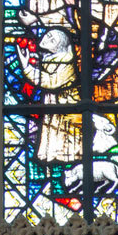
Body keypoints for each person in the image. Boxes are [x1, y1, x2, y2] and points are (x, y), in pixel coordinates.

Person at [15, 29, 83, 165]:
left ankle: (62, 169)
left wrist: (27, 67)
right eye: (49, 35)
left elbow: (52, 82)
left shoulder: (67, 61)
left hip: (65, 107)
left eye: (52, 41)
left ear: (59, 47)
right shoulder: (50, 59)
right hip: (54, 104)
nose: (47, 39)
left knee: (63, 142)